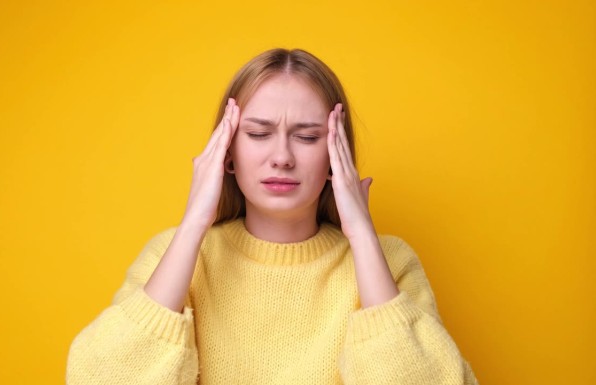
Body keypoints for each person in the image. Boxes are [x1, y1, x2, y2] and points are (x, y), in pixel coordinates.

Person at [66, 48, 479, 384]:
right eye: (259, 134)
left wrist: (363, 237)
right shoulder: (172, 258)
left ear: (337, 155)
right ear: (227, 152)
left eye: (307, 136)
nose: (281, 157)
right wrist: (194, 223)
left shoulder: (390, 263)